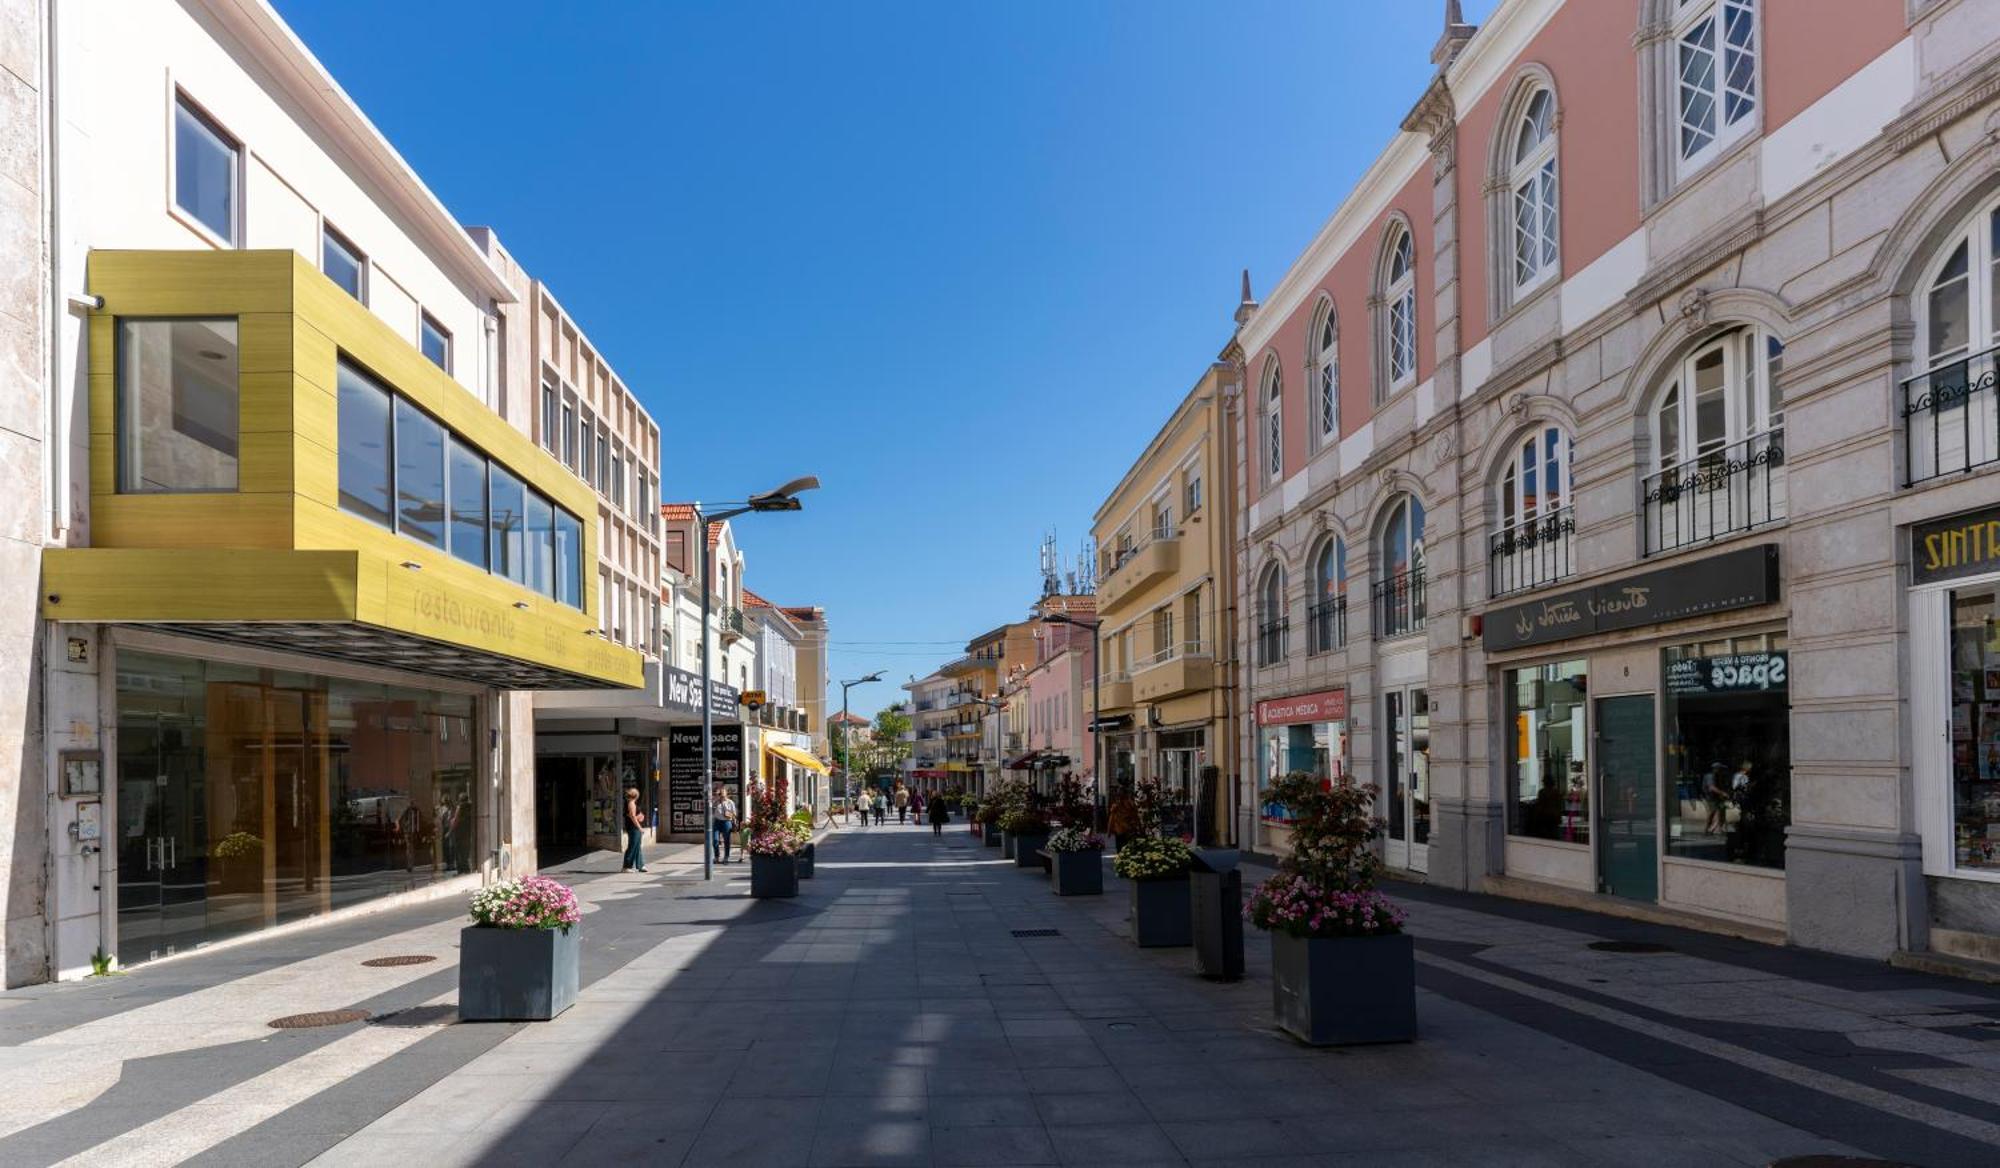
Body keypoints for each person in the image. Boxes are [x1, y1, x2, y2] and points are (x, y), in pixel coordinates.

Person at [622, 787, 648, 873]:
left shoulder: (632, 803)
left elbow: (634, 815)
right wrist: (639, 827)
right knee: (633, 846)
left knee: (637, 846)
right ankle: (626, 866)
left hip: (634, 827)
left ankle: (641, 865)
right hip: (634, 828)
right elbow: (632, 816)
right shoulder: (631, 803)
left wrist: (641, 816)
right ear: (636, 795)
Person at [711, 787, 738, 863]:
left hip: (726, 822)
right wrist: (716, 798)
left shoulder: (730, 802)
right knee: (715, 840)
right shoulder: (716, 802)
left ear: (726, 794)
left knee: (726, 840)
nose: (722, 795)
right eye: (720, 793)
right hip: (717, 822)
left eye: (723, 793)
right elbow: (711, 810)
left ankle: (726, 856)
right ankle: (716, 856)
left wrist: (729, 814)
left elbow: (734, 814)